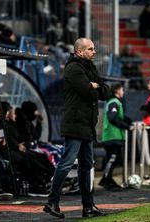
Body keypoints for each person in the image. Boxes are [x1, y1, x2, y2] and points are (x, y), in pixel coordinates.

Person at [43, 38, 110, 218]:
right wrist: (94, 86)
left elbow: (105, 91)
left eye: (94, 48)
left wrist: (95, 86)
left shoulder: (90, 68)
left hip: (86, 125)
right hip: (75, 124)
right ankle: (52, 202)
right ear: (80, 51)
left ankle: (88, 206)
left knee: (87, 166)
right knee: (66, 163)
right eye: (90, 49)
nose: (94, 52)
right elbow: (88, 92)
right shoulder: (73, 68)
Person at [100, 83, 133, 190]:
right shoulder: (114, 102)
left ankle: (108, 179)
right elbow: (112, 118)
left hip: (115, 136)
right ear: (117, 91)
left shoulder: (115, 103)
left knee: (115, 159)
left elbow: (118, 116)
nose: (123, 91)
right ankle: (105, 180)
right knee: (112, 159)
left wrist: (126, 120)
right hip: (112, 136)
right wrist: (126, 126)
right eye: (122, 89)